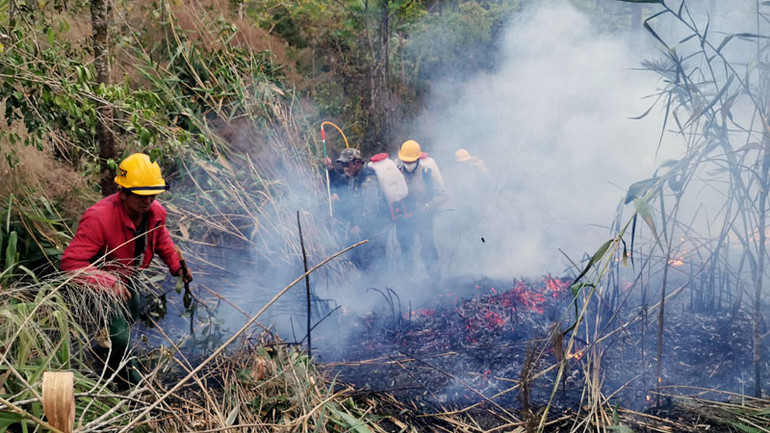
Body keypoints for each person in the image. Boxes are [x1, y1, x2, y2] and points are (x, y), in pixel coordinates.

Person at [60, 153, 193, 390]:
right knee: (119, 335)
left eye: (152, 194)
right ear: (123, 192)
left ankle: (100, 354)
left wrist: (177, 267)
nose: (148, 200)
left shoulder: (155, 212)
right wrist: (107, 282)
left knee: (130, 317)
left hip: (127, 277)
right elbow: (71, 263)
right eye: (141, 195)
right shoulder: (99, 218)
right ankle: (125, 382)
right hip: (98, 283)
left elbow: (161, 238)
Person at [395, 140, 449, 283]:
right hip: (404, 218)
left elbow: (443, 195)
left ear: (418, 159)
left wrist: (427, 206)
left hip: (423, 217)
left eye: (411, 161)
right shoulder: (396, 170)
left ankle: (435, 280)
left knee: (428, 247)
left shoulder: (427, 172)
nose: (408, 164)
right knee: (405, 248)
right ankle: (409, 280)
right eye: (405, 161)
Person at [330, 148, 390, 272]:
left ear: (357, 163)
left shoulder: (369, 181)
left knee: (374, 263)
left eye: (347, 164)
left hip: (375, 231)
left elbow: (372, 210)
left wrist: (360, 226)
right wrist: (330, 169)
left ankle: (379, 287)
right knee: (363, 262)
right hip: (363, 229)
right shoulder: (353, 176)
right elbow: (340, 181)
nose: (345, 167)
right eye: (343, 164)